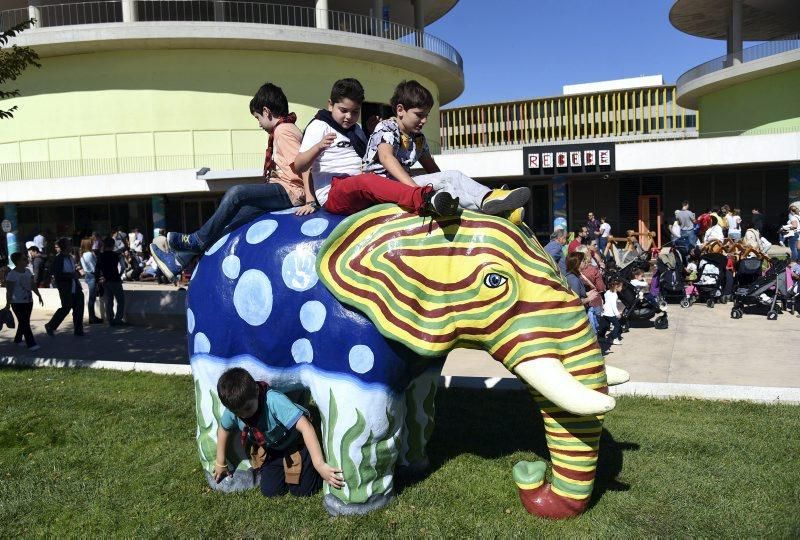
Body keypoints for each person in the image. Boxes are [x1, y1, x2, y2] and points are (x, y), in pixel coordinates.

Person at [153, 83, 316, 281]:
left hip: (290, 191)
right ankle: (179, 261)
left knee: (237, 193)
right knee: (229, 221)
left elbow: (303, 165)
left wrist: (309, 199)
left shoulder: (284, 131)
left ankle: (196, 239)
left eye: (257, 118)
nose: (258, 124)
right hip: (284, 189)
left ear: (266, 111)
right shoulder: (283, 130)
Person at [362, 80, 530, 222]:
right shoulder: (386, 127)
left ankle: (497, 211)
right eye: (419, 115)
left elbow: (433, 170)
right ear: (400, 110)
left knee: (449, 186)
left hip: (400, 186)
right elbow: (386, 157)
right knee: (452, 178)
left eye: (426, 115)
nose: (424, 120)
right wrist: (415, 190)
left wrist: (444, 183)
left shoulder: (418, 139)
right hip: (380, 187)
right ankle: (490, 198)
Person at [293, 78, 458, 218]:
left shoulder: (356, 130)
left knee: (376, 180)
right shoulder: (319, 126)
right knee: (367, 181)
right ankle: (424, 199)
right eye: (343, 110)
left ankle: (456, 199)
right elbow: (300, 165)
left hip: (360, 186)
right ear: (330, 105)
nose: (349, 117)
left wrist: (373, 133)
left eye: (355, 112)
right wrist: (318, 147)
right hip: (334, 191)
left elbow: (368, 158)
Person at [213, 368, 344, 497]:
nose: (244, 415)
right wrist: (220, 462)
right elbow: (224, 429)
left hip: (298, 441)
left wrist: (319, 465)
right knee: (270, 491)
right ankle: (286, 468)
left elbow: (306, 427)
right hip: (273, 448)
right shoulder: (235, 408)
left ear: (257, 391)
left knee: (303, 491)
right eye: (238, 412)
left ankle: (307, 461)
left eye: (247, 408)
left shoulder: (273, 401)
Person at [45, 238, 84, 337]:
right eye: (69, 244)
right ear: (65, 246)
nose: (71, 246)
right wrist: (71, 275)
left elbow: (73, 271)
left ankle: (78, 330)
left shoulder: (70, 257)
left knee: (79, 307)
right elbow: (57, 275)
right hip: (65, 288)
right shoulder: (58, 259)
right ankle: (50, 326)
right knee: (66, 308)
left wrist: (77, 274)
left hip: (76, 287)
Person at [4, 251, 43, 350]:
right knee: (25, 322)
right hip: (17, 303)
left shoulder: (28, 271)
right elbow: (9, 292)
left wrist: (38, 295)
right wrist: (8, 304)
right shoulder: (11, 275)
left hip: (29, 301)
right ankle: (31, 344)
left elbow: (32, 285)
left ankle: (17, 340)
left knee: (23, 322)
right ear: (17, 261)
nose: (27, 260)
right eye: (24, 259)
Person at [97, 237, 126, 326]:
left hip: (105, 281)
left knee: (109, 301)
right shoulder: (117, 255)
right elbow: (123, 267)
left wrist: (100, 278)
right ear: (113, 245)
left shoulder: (100, 255)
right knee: (121, 300)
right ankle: (118, 319)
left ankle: (110, 320)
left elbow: (97, 269)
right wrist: (120, 275)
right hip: (115, 279)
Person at [80, 240, 102, 324]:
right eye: (91, 244)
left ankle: (92, 317)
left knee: (92, 297)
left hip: (88, 275)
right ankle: (92, 317)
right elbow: (95, 266)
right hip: (92, 275)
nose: (92, 244)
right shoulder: (89, 254)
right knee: (92, 298)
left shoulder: (82, 255)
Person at [600, 278, 623, 345]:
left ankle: (600, 337)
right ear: (616, 287)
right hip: (611, 313)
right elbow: (613, 305)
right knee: (617, 325)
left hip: (605, 313)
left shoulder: (607, 292)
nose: (622, 288)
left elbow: (606, 300)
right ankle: (613, 338)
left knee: (605, 325)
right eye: (621, 286)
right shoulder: (614, 295)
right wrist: (617, 314)